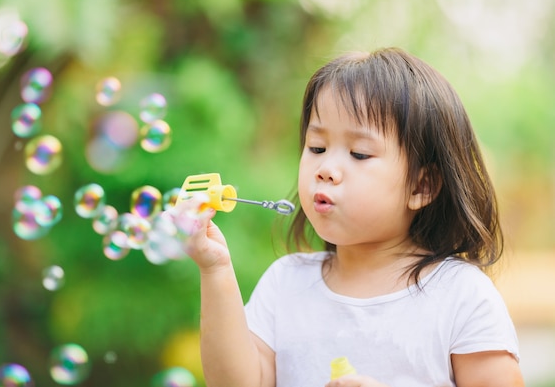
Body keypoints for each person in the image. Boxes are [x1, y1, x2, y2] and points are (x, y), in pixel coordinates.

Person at [176, 47, 524, 387]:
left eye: (358, 153)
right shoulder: (286, 284)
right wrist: (215, 269)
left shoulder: (460, 295)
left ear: (422, 185)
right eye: (316, 148)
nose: (325, 169)